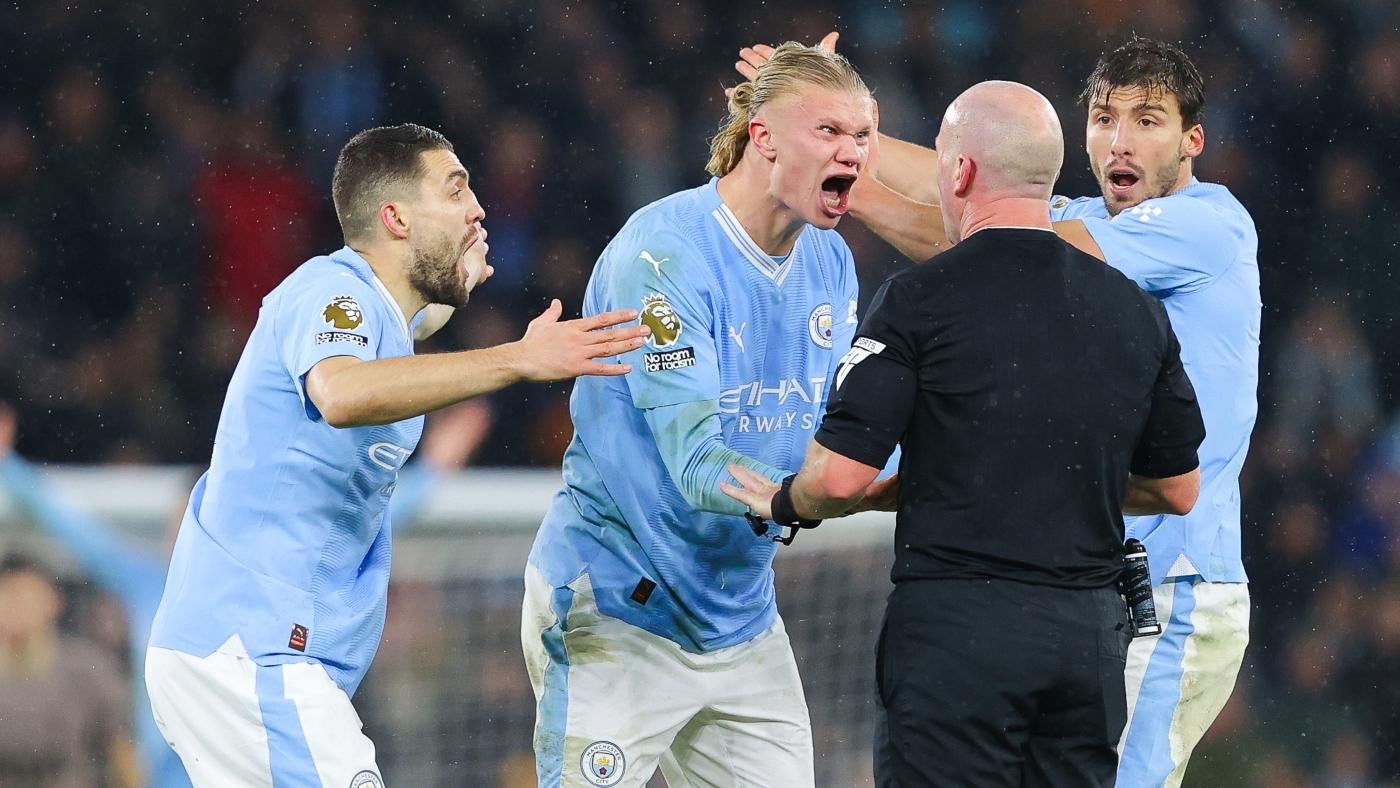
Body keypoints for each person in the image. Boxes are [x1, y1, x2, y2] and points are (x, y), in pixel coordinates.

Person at [737, 33, 1259, 787]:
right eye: (1106, 118)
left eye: (1149, 121)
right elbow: (971, 171)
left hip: (1172, 591)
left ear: (1192, 141)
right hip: (1093, 586)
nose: (1121, 139)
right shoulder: (1084, 218)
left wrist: (830, 178)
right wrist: (848, 132)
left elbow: (984, 241)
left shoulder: (1206, 224)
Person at [145, 122, 649, 787]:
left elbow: (413, 321)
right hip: (252, 649)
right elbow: (342, 392)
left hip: (261, 655)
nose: (478, 210)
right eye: (456, 191)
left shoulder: (384, 317)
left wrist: (456, 279)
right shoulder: (333, 292)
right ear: (395, 217)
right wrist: (521, 358)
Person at [522, 43, 875, 787]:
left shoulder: (831, 262)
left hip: (741, 622)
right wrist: (801, 497)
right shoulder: (665, 255)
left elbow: (829, 431)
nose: (854, 153)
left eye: (864, 136)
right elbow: (697, 465)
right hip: (619, 612)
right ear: (764, 136)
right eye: (831, 132)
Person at [0, 398, 489, 787]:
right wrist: (8, 464)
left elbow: (369, 520)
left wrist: (435, 469)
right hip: (171, 773)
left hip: (252, 762)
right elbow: (67, 522)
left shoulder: (264, 578)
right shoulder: (147, 581)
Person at [0, 553, 142, 788]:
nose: (17, 605)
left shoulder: (86, 669)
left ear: (53, 601)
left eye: (26, 594)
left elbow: (123, 752)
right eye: (7, 593)